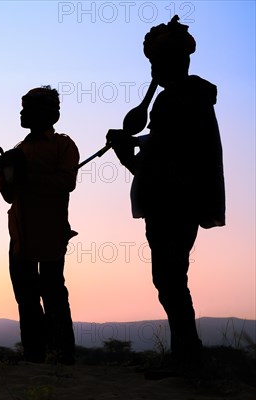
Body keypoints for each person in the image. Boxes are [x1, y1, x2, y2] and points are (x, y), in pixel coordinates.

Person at [107, 16, 225, 372]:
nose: (155, 69)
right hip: (182, 202)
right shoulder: (188, 98)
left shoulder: (175, 101)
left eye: (157, 62)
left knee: (170, 279)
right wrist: (133, 148)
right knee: (172, 278)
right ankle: (185, 354)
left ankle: (187, 357)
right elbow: (160, 148)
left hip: (173, 204)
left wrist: (126, 153)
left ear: (173, 61)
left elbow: (160, 162)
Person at [0, 86, 79, 364]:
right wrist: (7, 168)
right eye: (22, 107)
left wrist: (23, 172)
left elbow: (66, 183)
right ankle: (34, 353)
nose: (22, 112)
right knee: (25, 296)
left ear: (48, 113)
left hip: (50, 232)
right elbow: (7, 194)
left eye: (28, 108)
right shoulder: (19, 150)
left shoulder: (63, 145)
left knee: (53, 293)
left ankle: (62, 353)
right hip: (19, 235)